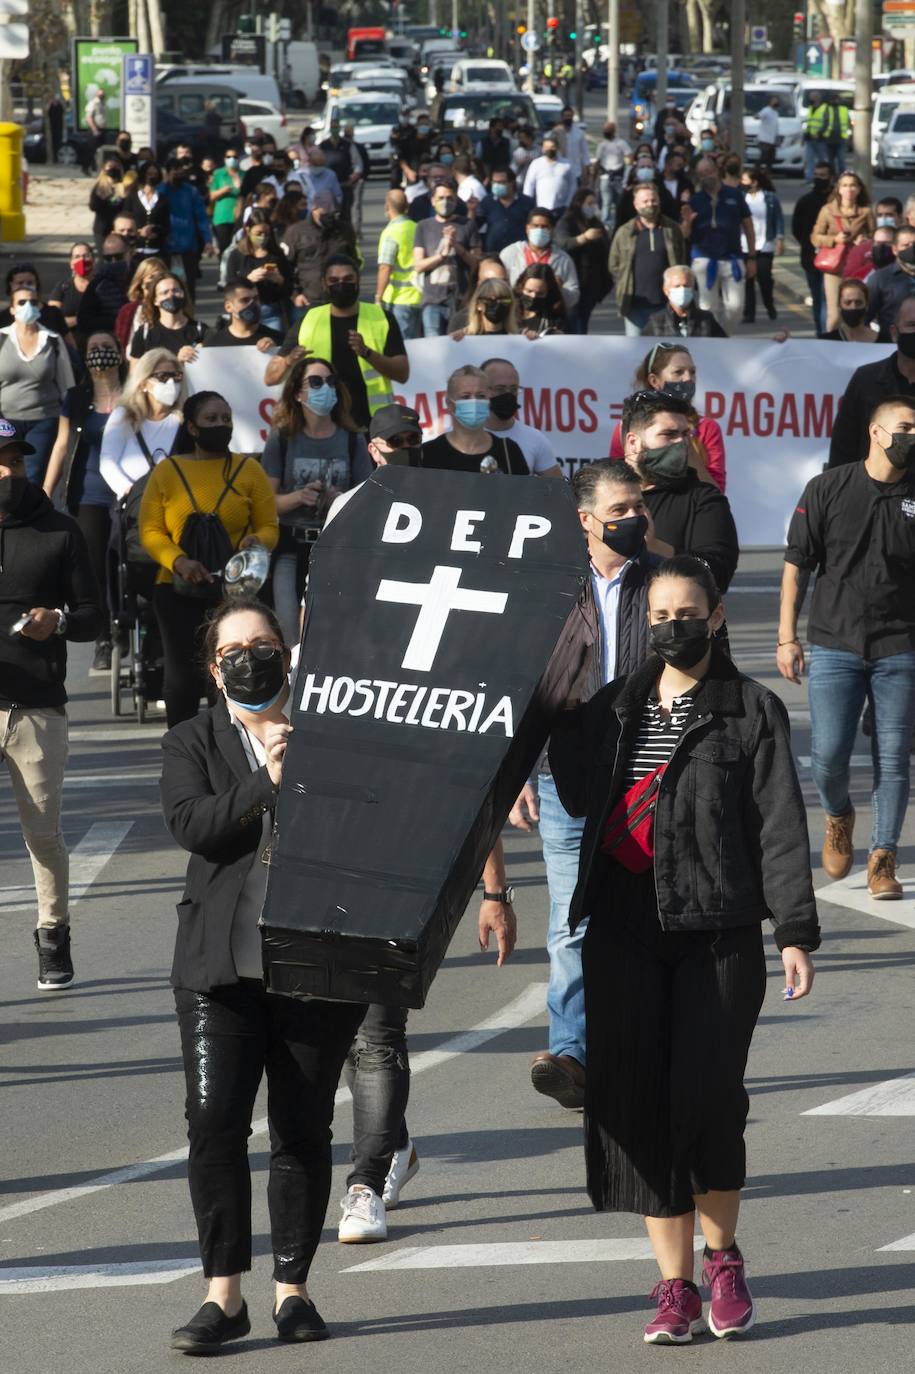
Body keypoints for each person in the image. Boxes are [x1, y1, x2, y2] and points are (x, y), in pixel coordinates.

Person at [549, 553, 818, 1347]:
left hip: (718, 931)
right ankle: (673, 1288)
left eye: (686, 611)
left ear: (717, 614)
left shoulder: (750, 710)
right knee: (639, 1108)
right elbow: (571, 790)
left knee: (705, 1102)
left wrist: (793, 930)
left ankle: (723, 1260)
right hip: (623, 931)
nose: (672, 625)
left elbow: (778, 826)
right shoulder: (609, 710)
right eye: (659, 615)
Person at [160, 595, 367, 1352]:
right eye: (235, 649)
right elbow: (192, 825)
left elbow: (368, 822)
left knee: (301, 1125)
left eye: (266, 643)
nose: (253, 658)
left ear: (288, 651)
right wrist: (266, 783)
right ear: (213, 668)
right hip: (218, 970)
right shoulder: (192, 738)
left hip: (313, 961)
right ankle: (223, 1296)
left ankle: (292, 1292)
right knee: (214, 1124)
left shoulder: (333, 727)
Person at [512, 460, 661, 1107]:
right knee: (571, 923)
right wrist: (518, 772)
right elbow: (522, 688)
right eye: (620, 510)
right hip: (567, 778)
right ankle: (571, 1055)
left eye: (638, 508)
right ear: (585, 519)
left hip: (649, 781)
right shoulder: (546, 589)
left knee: (646, 919)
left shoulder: (665, 584)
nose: (633, 519)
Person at [780, 394, 915, 899]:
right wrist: (786, 636)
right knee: (829, 755)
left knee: (895, 755)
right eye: (905, 427)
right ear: (876, 433)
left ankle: (884, 857)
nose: (912, 437)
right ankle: (839, 816)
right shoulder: (827, 487)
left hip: (900, 646)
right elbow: (797, 566)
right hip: (835, 642)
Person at [0, 416, 103, 990]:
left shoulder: (60, 532)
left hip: (36, 709)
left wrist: (56, 620)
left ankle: (52, 935)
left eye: (15, 460)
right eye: (0, 461)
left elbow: (93, 617)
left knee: (42, 833)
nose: (8, 471)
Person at [139, 391, 278, 728]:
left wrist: (257, 541)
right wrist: (178, 561)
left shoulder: (249, 470)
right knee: (182, 679)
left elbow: (270, 526)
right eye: (212, 419)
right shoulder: (167, 471)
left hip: (232, 593)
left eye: (226, 419)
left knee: (229, 677)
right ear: (193, 428)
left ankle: (233, 748)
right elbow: (151, 531)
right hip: (175, 589)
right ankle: (182, 752)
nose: (221, 425)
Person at [262, 355, 370, 644]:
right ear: (297, 392)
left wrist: (339, 500)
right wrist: (299, 496)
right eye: (316, 382)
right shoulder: (282, 438)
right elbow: (265, 502)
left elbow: (367, 500)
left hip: (336, 544)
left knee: (331, 629)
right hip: (290, 546)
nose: (326, 388)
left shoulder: (352, 438)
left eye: (331, 381)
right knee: (289, 630)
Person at [42, 331, 123, 671]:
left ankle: (129, 625)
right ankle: (103, 638)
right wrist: (46, 492)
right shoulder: (75, 398)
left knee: (124, 563)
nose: (100, 353)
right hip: (88, 494)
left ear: (119, 354)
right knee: (95, 568)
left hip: (127, 494)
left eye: (107, 348)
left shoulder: (135, 395)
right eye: (93, 348)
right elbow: (62, 446)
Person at [266, 257, 409, 431]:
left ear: (358, 281)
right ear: (324, 284)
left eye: (348, 279)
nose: (341, 285)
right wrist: (289, 360)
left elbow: (402, 373)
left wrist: (367, 353)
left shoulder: (382, 318)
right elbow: (271, 378)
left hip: (373, 424)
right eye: (333, 281)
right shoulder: (309, 320)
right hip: (322, 426)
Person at [620, 390, 738, 592]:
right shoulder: (601, 492)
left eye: (685, 435)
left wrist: (656, 547)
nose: (681, 444)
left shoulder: (704, 499)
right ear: (633, 442)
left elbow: (718, 574)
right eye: (669, 435)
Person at [610, 344, 725, 492]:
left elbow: (717, 492)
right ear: (654, 381)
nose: (688, 379)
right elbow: (616, 484)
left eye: (692, 372)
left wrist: (687, 447)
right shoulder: (627, 427)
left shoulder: (707, 428)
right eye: (678, 372)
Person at [0, 282, 74, 487]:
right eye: (22, 302)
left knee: (32, 475)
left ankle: (29, 517)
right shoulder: (1, 338)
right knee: (5, 474)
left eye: (33, 302)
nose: (28, 306)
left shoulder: (52, 340)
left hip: (44, 419)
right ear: (12, 308)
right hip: (6, 420)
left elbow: (66, 385)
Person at [829, 296, 915, 465]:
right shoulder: (866, 379)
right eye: (912, 325)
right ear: (894, 333)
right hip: (874, 488)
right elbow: (843, 444)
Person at [99, 348, 185, 503]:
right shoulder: (124, 415)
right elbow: (107, 462)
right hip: (134, 508)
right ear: (143, 383)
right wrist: (131, 493)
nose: (171, 383)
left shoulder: (183, 420)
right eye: (162, 376)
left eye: (176, 376)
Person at [681, 157, 754, 333]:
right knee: (707, 308)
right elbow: (684, 234)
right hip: (704, 259)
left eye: (709, 171)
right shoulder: (695, 200)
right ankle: (711, 340)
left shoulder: (734, 195)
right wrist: (687, 222)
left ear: (717, 171)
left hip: (732, 258)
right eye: (701, 174)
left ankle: (724, 336)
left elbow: (748, 226)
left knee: (736, 307)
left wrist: (751, 257)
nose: (707, 176)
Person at [609, 183, 687, 337]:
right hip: (634, 305)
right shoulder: (624, 232)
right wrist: (625, 282)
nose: (650, 204)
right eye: (645, 201)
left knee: (664, 351)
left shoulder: (672, 229)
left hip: (665, 304)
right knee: (635, 352)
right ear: (636, 205)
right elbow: (614, 264)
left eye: (653, 200)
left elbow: (681, 260)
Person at [418, 364, 528, 473]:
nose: (474, 402)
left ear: (489, 400)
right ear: (449, 404)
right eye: (465, 397)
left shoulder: (508, 451)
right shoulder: (428, 453)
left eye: (481, 396)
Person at [412, 182, 481, 336]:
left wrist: (456, 246)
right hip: (432, 300)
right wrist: (441, 255)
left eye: (449, 198)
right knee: (435, 347)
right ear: (432, 201)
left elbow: (476, 263)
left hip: (462, 300)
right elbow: (418, 265)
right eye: (440, 198)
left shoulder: (467, 225)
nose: (445, 202)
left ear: (456, 200)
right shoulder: (423, 226)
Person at [811, 170, 874, 334]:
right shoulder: (827, 210)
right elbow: (815, 237)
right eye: (845, 185)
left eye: (853, 185)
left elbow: (875, 235)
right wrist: (834, 240)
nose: (849, 189)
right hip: (834, 268)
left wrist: (865, 241)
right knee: (834, 314)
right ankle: (831, 343)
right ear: (838, 189)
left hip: (857, 266)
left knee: (859, 310)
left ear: (859, 189)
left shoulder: (865, 212)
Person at [282, 190, 359, 314]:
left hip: (340, 300)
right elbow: (285, 266)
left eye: (333, 213)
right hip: (307, 301)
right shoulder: (296, 232)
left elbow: (354, 262)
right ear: (314, 209)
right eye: (325, 213)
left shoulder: (345, 230)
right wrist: (295, 294)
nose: (330, 217)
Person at [482, 356, 562, 476]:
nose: (508, 394)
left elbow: (557, 489)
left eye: (514, 389)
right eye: (500, 389)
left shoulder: (535, 440)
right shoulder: (457, 438)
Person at [225, 210, 293, 337]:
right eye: (258, 233)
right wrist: (248, 279)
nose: (263, 237)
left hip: (271, 311)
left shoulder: (277, 255)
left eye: (266, 233)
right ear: (248, 230)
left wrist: (279, 280)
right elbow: (229, 287)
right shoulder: (237, 255)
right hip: (243, 311)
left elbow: (289, 288)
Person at [500, 207, 580, 314]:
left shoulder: (563, 259)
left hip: (549, 316)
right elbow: (499, 286)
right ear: (527, 228)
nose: (540, 230)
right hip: (515, 315)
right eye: (535, 226)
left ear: (552, 230)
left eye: (545, 227)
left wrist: (559, 289)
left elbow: (574, 296)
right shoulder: (510, 253)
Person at [554, 187, 612, 333]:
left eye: (594, 203)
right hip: (574, 280)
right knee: (574, 323)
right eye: (589, 203)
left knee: (582, 322)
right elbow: (563, 243)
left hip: (591, 283)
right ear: (579, 203)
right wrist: (583, 238)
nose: (592, 207)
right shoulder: (566, 222)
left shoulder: (595, 223)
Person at [161, 157, 214, 302]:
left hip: (188, 247)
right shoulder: (160, 191)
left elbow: (201, 217)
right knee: (166, 287)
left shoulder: (191, 191)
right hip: (165, 248)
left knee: (188, 288)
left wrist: (207, 240)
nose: (177, 175)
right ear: (167, 173)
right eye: (174, 172)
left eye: (180, 172)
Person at [791, 163, 833, 337]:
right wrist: (810, 246)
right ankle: (821, 332)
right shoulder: (805, 201)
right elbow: (797, 229)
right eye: (816, 174)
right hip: (811, 259)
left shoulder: (834, 203)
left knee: (828, 300)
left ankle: (827, 332)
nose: (818, 179)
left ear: (831, 178)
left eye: (823, 175)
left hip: (834, 260)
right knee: (819, 299)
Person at [374, 190, 422, 341]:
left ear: (387, 206)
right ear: (406, 206)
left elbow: (385, 267)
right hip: (420, 295)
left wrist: (378, 297)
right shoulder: (417, 227)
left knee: (404, 344)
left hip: (400, 298)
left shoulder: (391, 232)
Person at [129, 272, 208, 363]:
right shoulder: (144, 333)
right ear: (155, 300)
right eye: (164, 292)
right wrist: (178, 362)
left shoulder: (201, 331)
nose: (171, 295)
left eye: (175, 290)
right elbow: (135, 373)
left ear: (183, 294)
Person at [739, 166, 784, 325]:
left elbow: (778, 219)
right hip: (744, 245)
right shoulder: (741, 198)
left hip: (765, 244)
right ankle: (748, 313)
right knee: (748, 280)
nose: (742, 183)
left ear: (754, 182)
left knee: (764, 279)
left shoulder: (770, 198)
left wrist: (780, 239)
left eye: (745, 180)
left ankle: (769, 305)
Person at [643, 264, 727, 338]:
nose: (682, 290)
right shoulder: (656, 321)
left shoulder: (706, 319)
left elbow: (722, 346)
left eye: (686, 286)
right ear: (666, 290)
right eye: (677, 286)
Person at [866, 224, 915, 340]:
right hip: (891, 345)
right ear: (895, 249)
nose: (911, 249)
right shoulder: (879, 279)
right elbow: (866, 317)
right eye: (905, 245)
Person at [474, 167, 534, 257]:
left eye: (501, 182)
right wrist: (471, 210)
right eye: (494, 182)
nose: (497, 185)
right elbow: (475, 225)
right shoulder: (487, 201)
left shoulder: (527, 202)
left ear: (512, 183)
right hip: (493, 253)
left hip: (518, 254)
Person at [204, 283, 281, 350]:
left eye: (256, 299)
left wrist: (275, 351)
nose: (253, 305)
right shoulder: (214, 343)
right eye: (245, 300)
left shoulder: (276, 339)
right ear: (228, 307)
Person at [124, 160, 171, 261]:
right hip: (136, 250)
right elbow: (125, 221)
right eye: (149, 173)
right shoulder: (132, 198)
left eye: (155, 174)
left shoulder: (163, 200)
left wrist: (156, 231)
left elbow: (167, 226)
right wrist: (139, 232)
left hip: (157, 251)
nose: (152, 176)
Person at [48, 243, 95, 336]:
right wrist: (80, 320)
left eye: (86, 256)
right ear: (71, 264)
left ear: (93, 260)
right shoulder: (63, 287)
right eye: (77, 256)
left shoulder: (103, 286)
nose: (82, 260)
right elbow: (51, 319)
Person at [523, 134, 576, 214]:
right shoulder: (536, 164)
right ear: (543, 149)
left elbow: (573, 186)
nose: (549, 149)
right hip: (541, 208)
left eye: (552, 147)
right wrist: (528, 205)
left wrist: (567, 205)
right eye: (546, 147)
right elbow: (529, 185)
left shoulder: (567, 164)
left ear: (557, 147)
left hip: (561, 208)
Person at [515, 263, 568, 336]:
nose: (533, 296)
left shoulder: (554, 318)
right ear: (521, 288)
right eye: (529, 291)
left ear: (548, 293)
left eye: (540, 294)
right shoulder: (510, 310)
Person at [209, 149, 244, 256]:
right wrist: (223, 191)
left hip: (240, 216)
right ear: (224, 159)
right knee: (223, 246)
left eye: (235, 157)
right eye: (229, 157)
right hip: (222, 217)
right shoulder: (218, 174)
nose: (232, 159)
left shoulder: (244, 174)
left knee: (240, 246)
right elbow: (211, 195)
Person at [822, 277, 878, 343]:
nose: (853, 307)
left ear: (866, 305)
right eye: (848, 303)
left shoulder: (883, 342)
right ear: (839, 305)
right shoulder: (826, 341)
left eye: (858, 302)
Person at [88, 157, 126, 248]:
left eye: (116, 167)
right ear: (104, 170)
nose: (113, 169)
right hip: (102, 229)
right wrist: (101, 198)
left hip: (119, 228)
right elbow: (93, 206)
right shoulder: (99, 186)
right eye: (110, 167)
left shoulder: (124, 187)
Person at [556, 105, 589, 185]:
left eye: (569, 116)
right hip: (559, 172)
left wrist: (585, 172)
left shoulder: (579, 133)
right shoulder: (556, 133)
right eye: (566, 116)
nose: (568, 118)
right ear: (562, 117)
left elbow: (585, 154)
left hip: (576, 173)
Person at [756, 93, 781, 170]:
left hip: (772, 139)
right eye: (774, 101)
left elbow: (775, 126)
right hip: (765, 139)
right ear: (770, 102)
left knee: (771, 158)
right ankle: (756, 171)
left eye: (776, 101)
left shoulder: (775, 112)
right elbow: (759, 115)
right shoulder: (766, 110)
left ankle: (767, 173)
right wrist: (757, 116)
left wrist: (777, 137)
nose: (776, 103)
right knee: (764, 157)